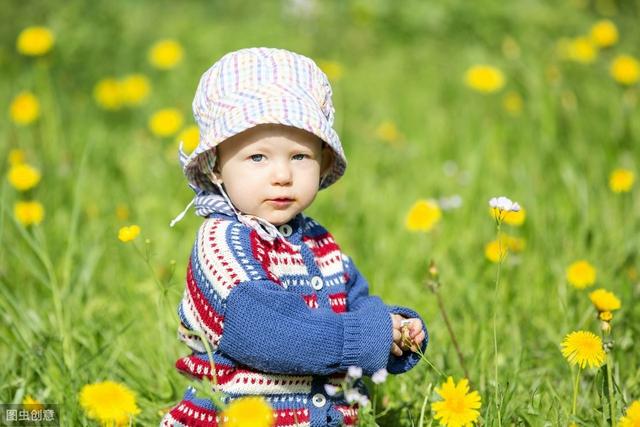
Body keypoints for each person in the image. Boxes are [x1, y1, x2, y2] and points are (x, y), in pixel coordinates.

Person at [161, 47, 428, 427]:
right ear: (216, 166)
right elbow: (275, 333)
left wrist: (394, 328)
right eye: (258, 158)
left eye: (299, 156)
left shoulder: (320, 243)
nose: (282, 175)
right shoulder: (222, 245)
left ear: (323, 161)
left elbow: (357, 302)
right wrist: (368, 337)